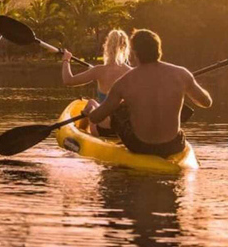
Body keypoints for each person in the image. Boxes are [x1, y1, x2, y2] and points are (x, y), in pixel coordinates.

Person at [80, 29, 212, 158]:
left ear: (135, 53)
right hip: (173, 145)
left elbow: (96, 118)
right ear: (159, 50)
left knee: (118, 111)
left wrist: (90, 111)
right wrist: (189, 84)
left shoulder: (124, 82)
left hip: (139, 146)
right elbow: (207, 102)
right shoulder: (182, 74)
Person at [62, 29, 131, 137]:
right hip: (124, 128)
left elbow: (68, 80)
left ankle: (81, 134)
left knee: (91, 103)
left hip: (103, 128)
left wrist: (66, 60)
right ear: (125, 48)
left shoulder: (99, 71)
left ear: (107, 47)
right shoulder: (131, 72)